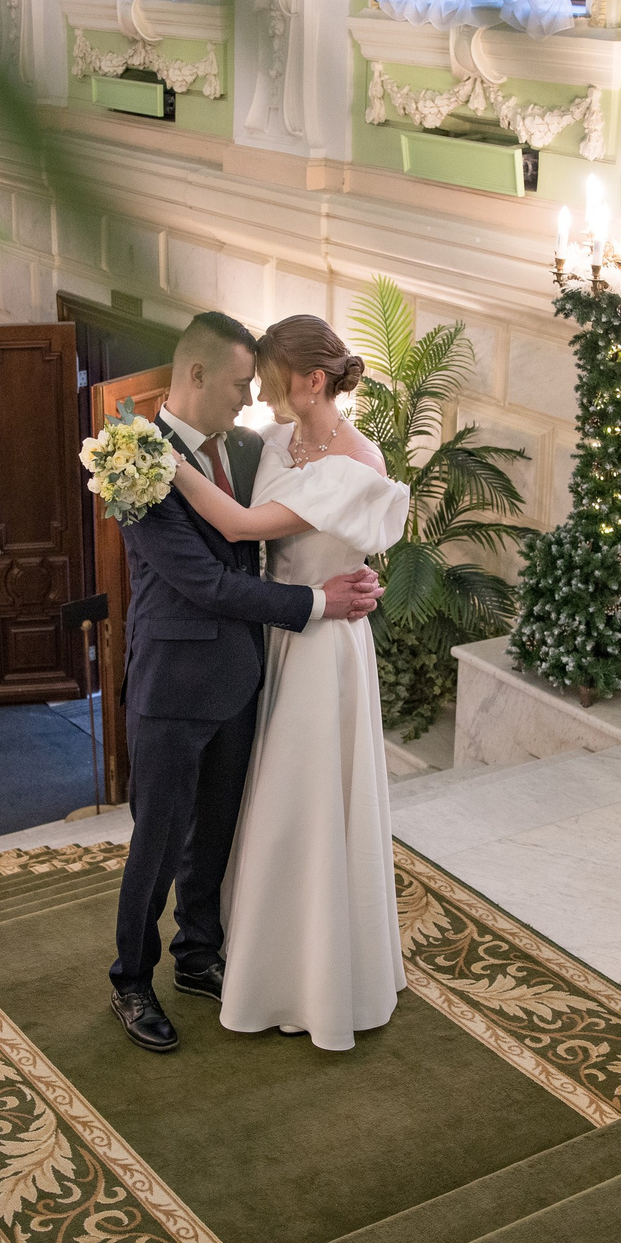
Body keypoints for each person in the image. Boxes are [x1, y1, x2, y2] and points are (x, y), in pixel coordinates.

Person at [108, 312, 382, 1054]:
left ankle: (200, 955)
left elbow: (305, 519)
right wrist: (317, 603)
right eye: (238, 386)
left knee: (217, 838)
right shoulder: (134, 459)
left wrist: (353, 563)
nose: (248, 400)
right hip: (172, 683)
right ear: (194, 375)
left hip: (242, 678)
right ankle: (132, 979)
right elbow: (205, 583)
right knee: (157, 845)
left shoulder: (247, 446)